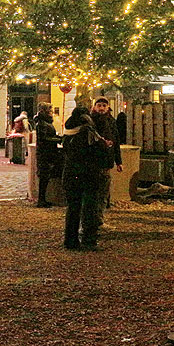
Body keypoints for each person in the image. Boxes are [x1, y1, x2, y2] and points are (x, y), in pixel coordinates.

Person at [61, 106, 111, 250]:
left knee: (73, 209)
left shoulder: (68, 132)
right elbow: (99, 150)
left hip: (70, 174)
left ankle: (70, 240)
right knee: (90, 208)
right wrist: (105, 145)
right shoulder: (88, 132)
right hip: (88, 174)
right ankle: (89, 240)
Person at [91, 97, 123, 213]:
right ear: (94, 107)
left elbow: (116, 141)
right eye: (99, 105)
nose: (101, 108)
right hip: (94, 158)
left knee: (106, 181)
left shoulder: (111, 121)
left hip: (107, 157)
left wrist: (118, 161)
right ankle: (100, 208)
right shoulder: (91, 121)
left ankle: (105, 203)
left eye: (104, 106)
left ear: (108, 107)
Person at [34, 103, 61, 208]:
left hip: (48, 151)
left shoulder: (46, 122)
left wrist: (57, 137)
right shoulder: (41, 123)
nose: (52, 112)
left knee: (46, 176)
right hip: (45, 152)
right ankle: (41, 200)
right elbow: (44, 138)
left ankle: (43, 199)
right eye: (50, 110)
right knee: (44, 176)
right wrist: (58, 139)